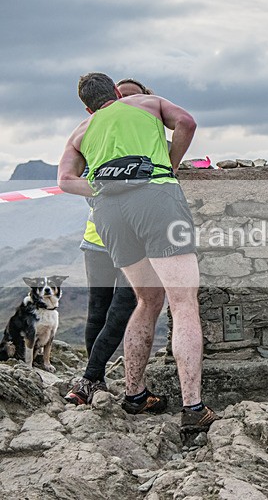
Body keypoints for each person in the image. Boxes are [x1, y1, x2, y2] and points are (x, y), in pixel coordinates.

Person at [57, 72, 217, 433]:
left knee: (146, 301)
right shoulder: (145, 103)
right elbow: (187, 123)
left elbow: (65, 181)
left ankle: (134, 394)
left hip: (109, 214)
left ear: (87, 105)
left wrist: (102, 186)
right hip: (156, 197)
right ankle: (193, 407)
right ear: (116, 92)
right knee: (183, 301)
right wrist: (170, 166)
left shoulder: (81, 130)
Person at [65, 78, 152, 406]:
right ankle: (94, 378)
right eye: (123, 97)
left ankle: (91, 378)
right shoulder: (94, 131)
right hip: (99, 238)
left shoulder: (147, 132)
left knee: (123, 308)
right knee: (101, 310)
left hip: (134, 238)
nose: (126, 104)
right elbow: (76, 182)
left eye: (135, 98)